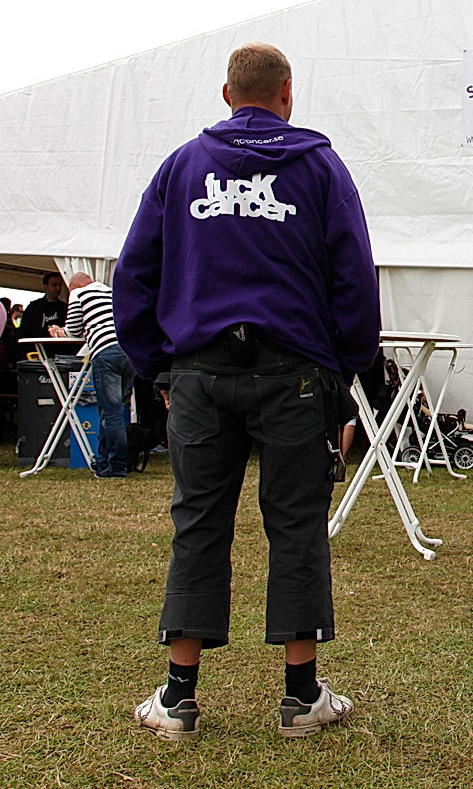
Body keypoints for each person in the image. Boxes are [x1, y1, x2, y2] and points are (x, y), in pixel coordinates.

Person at [113, 42, 381, 741]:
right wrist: (345, 370)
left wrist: (156, 367)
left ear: (227, 96)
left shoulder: (182, 167)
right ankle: (301, 698)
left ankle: (177, 698)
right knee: (295, 524)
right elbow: (354, 274)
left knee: (198, 524)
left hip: (199, 371)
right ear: (288, 93)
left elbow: (135, 272)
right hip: (293, 373)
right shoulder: (320, 168)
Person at [50, 273, 135, 477]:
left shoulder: (78, 294)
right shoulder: (110, 292)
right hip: (129, 351)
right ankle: (106, 461)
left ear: (73, 286)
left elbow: (72, 330)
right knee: (118, 410)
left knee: (110, 413)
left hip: (106, 352)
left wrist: (57, 331)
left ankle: (116, 467)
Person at [18, 273, 69, 340]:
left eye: (60, 285)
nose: (58, 288)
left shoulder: (65, 308)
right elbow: (24, 330)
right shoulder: (33, 307)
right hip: (35, 346)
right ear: (45, 286)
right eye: (54, 285)